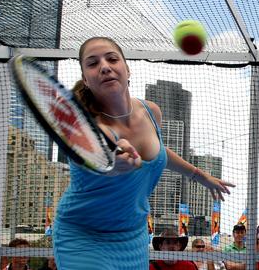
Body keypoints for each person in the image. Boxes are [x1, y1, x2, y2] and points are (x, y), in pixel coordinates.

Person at [53, 37, 234, 269]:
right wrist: (114, 164)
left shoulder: (151, 111)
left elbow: (159, 152)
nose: (105, 66)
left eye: (111, 59)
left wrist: (199, 175)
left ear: (127, 69)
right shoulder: (87, 127)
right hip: (85, 235)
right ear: (86, 80)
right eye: (92, 63)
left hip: (133, 235)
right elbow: (102, 151)